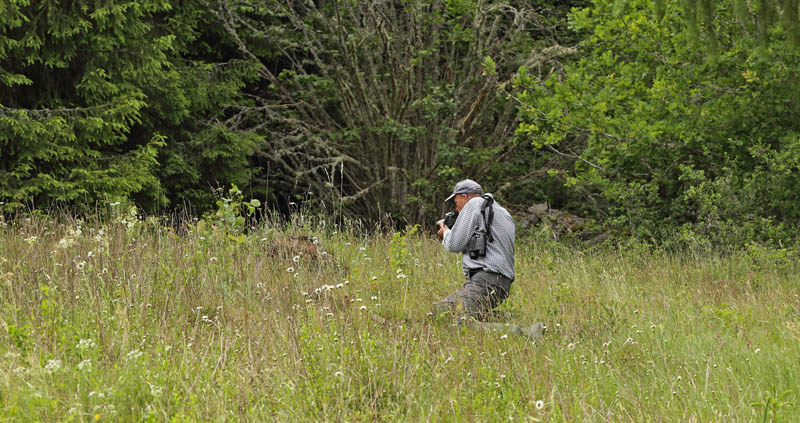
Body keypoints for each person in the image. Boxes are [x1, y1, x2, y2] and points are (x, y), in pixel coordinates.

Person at [434, 179, 543, 340]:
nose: (456, 209)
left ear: (464, 197)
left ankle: (526, 333)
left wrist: (445, 232)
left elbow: (454, 245)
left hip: (486, 280)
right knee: (439, 312)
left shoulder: (474, 204)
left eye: (455, 202)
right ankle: (505, 318)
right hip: (501, 282)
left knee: (462, 323)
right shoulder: (501, 212)